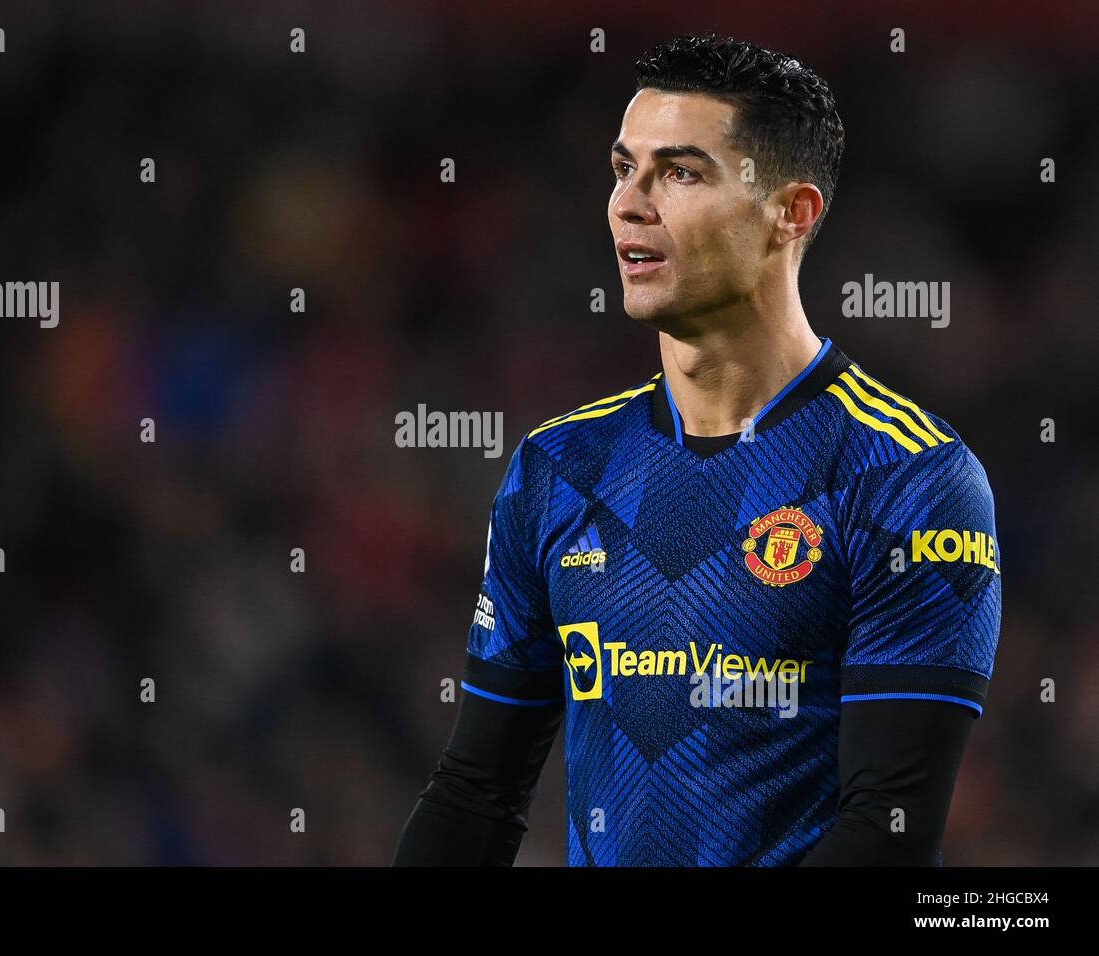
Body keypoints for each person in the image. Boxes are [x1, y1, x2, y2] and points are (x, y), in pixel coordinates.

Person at [393, 34, 1001, 866]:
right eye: (622, 169)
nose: (628, 205)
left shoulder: (908, 478)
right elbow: (474, 791)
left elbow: (886, 831)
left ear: (792, 213)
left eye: (680, 172)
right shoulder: (560, 467)